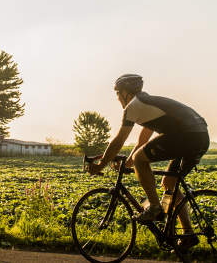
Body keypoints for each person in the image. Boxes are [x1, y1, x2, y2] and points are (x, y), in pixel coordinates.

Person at [87, 74, 209, 249]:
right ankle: (189, 234)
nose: (117, 98)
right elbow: (142, 141)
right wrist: (128, 163)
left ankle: (154, 208)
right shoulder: (148, 105)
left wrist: (100, 164)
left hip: (187, 136)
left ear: (126, 93)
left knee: (140, 158)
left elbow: (119, 140)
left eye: (118, 94)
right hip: (199, 136)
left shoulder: (134, 106)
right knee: (169, 184)